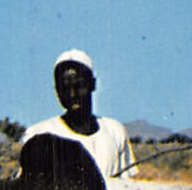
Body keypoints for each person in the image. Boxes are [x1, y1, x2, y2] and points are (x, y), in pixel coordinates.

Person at [21, 49, 137, 178]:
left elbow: (127, 186)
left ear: (92, 84)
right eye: (65, 88)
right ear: (56, 90)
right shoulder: (39, 134)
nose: (72, 95)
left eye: (79, 86)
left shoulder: (115, 131)